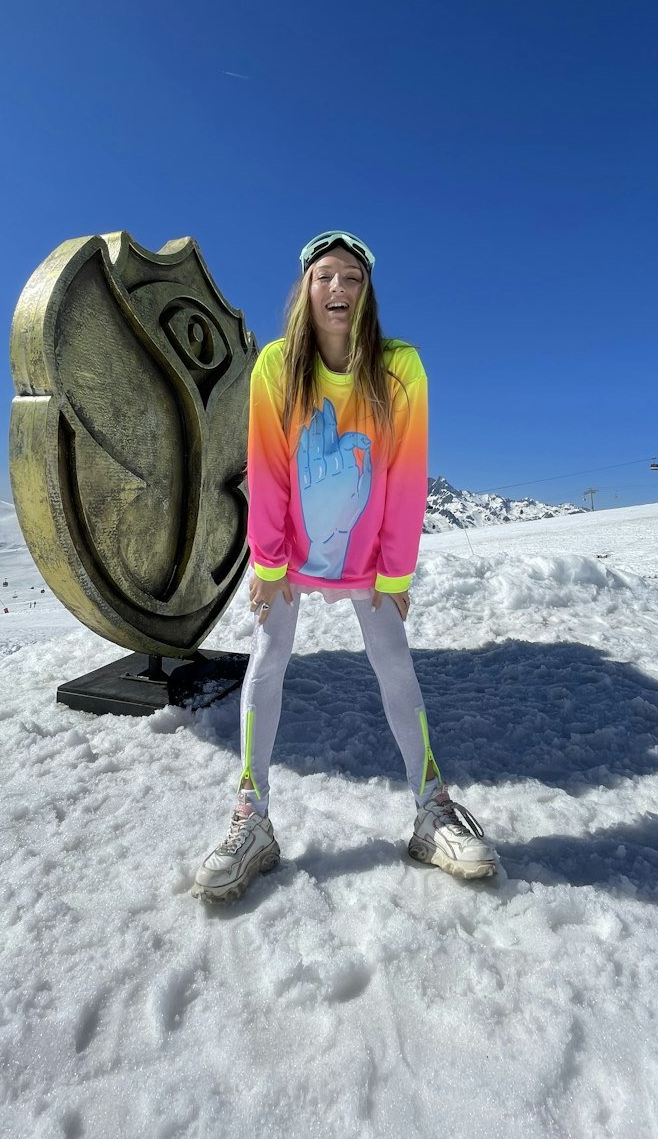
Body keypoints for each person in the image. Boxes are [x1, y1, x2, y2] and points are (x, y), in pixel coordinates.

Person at [192, 231, 498, 903]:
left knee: (394, 664)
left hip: (368, 557)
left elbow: (406, 475)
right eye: (326, 276)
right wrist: (269, 562)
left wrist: (394, 573)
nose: (339, 289)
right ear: (306, 289)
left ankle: (431, 812)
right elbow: (268, 470)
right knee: (266, 660)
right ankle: (253, 818)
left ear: (367, 294)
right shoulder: (276, 366)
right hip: (293, 555)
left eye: (353, 278)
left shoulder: (400, 368)